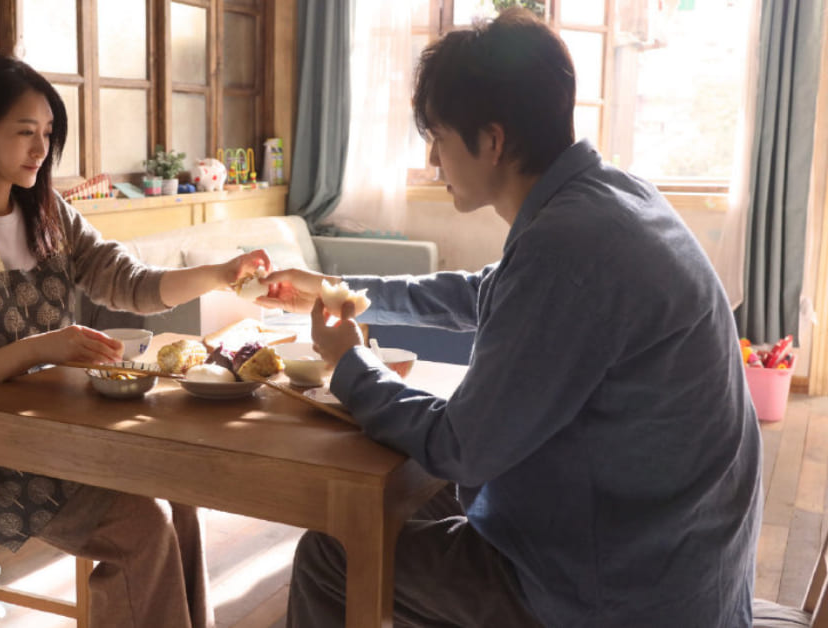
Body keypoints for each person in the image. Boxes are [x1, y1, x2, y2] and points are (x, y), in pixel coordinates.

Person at [261, 9, 761, 627]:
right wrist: (339, 289)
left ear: (493, 141)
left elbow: (460, 447)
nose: (433, 159)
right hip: (675, 555)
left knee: (332, 554)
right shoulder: (613, 197)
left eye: (439, 138)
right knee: (387, 503)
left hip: (620, 591)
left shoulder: (566, 246)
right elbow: (486, 292)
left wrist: (347, 364)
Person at [0, 54, 270, 628]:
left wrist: (220, 273)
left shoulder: (50, 214)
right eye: (24, 132)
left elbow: (132, 283)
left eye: (48, 133)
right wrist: (41, 348)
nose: (41, 149)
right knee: (143, 529)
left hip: (56, 430)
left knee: (180, 492)